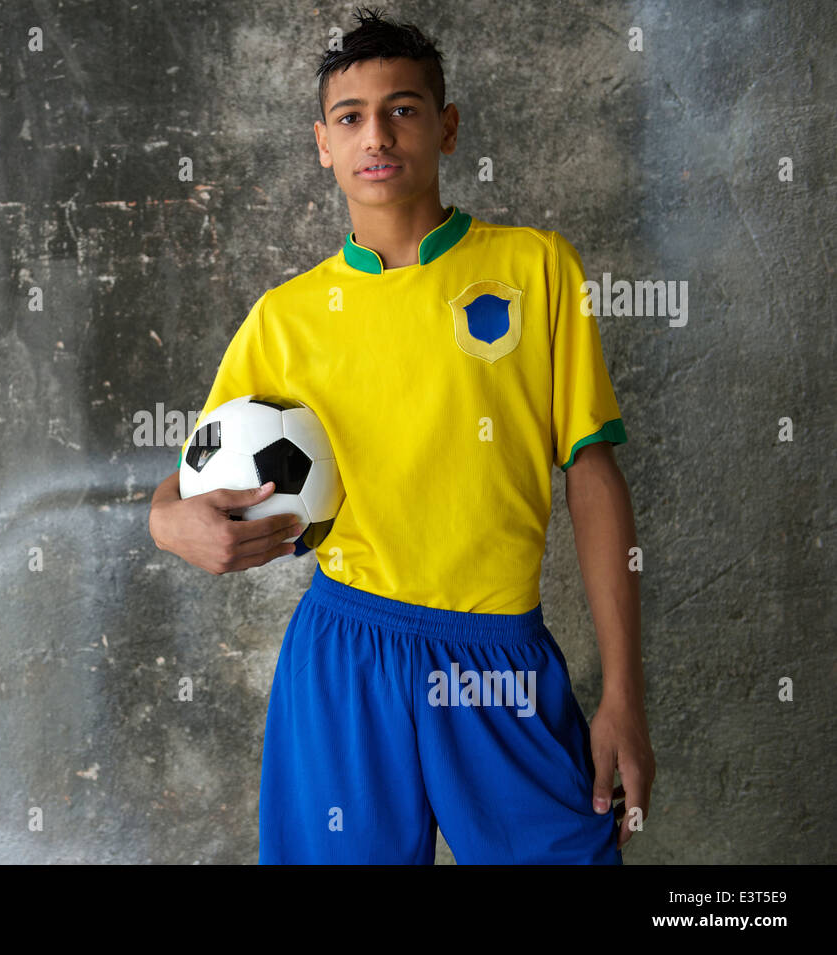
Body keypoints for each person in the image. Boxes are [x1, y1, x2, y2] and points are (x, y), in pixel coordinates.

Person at [147, 8, 655, 864]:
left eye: (404, 109)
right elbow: (185, 483)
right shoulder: (286, 319)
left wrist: (624, 697)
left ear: (446, 126)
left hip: (497, 659)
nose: (376, 134)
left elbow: (593, 477)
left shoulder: (537, 269)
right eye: (351, 117)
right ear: (323, 143)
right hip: (346, 653)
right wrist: (169, 523)